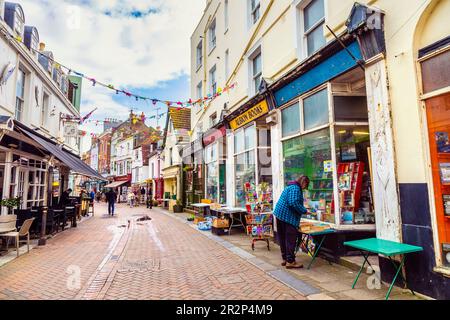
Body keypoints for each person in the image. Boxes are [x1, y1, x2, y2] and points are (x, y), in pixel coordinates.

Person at [273, 176, 310, 269]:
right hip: (287, 217)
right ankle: (290, 261)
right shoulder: (296, 188)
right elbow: (293, 202)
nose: (304, 188)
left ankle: (285, 258)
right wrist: (304, 210)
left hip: (280, 215)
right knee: (290, 239)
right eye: (305, 186)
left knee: (283, 238)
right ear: (304, 182)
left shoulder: (290, 186)